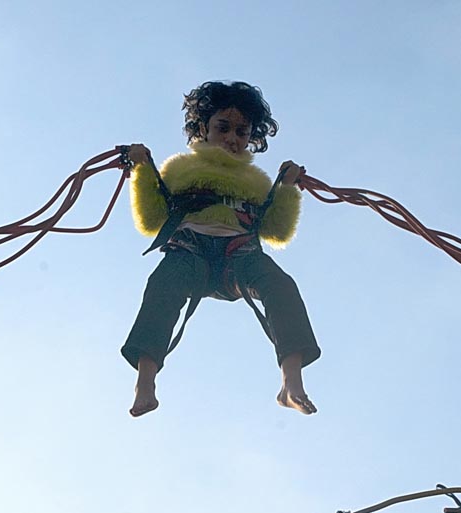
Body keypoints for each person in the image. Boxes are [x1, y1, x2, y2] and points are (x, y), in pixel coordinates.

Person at [121, 81, 320, 418]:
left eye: (242, 132)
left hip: (239, 256)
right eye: (223, 128)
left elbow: (276, 230)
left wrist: (287, 187)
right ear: (204, 129)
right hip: (189, 251)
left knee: (281, 286)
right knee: (163, 286)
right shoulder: (180, 170)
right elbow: (153, 218)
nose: (232, 138)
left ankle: (291, 381)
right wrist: (141, 169)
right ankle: (145, 382)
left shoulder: (257, 182)